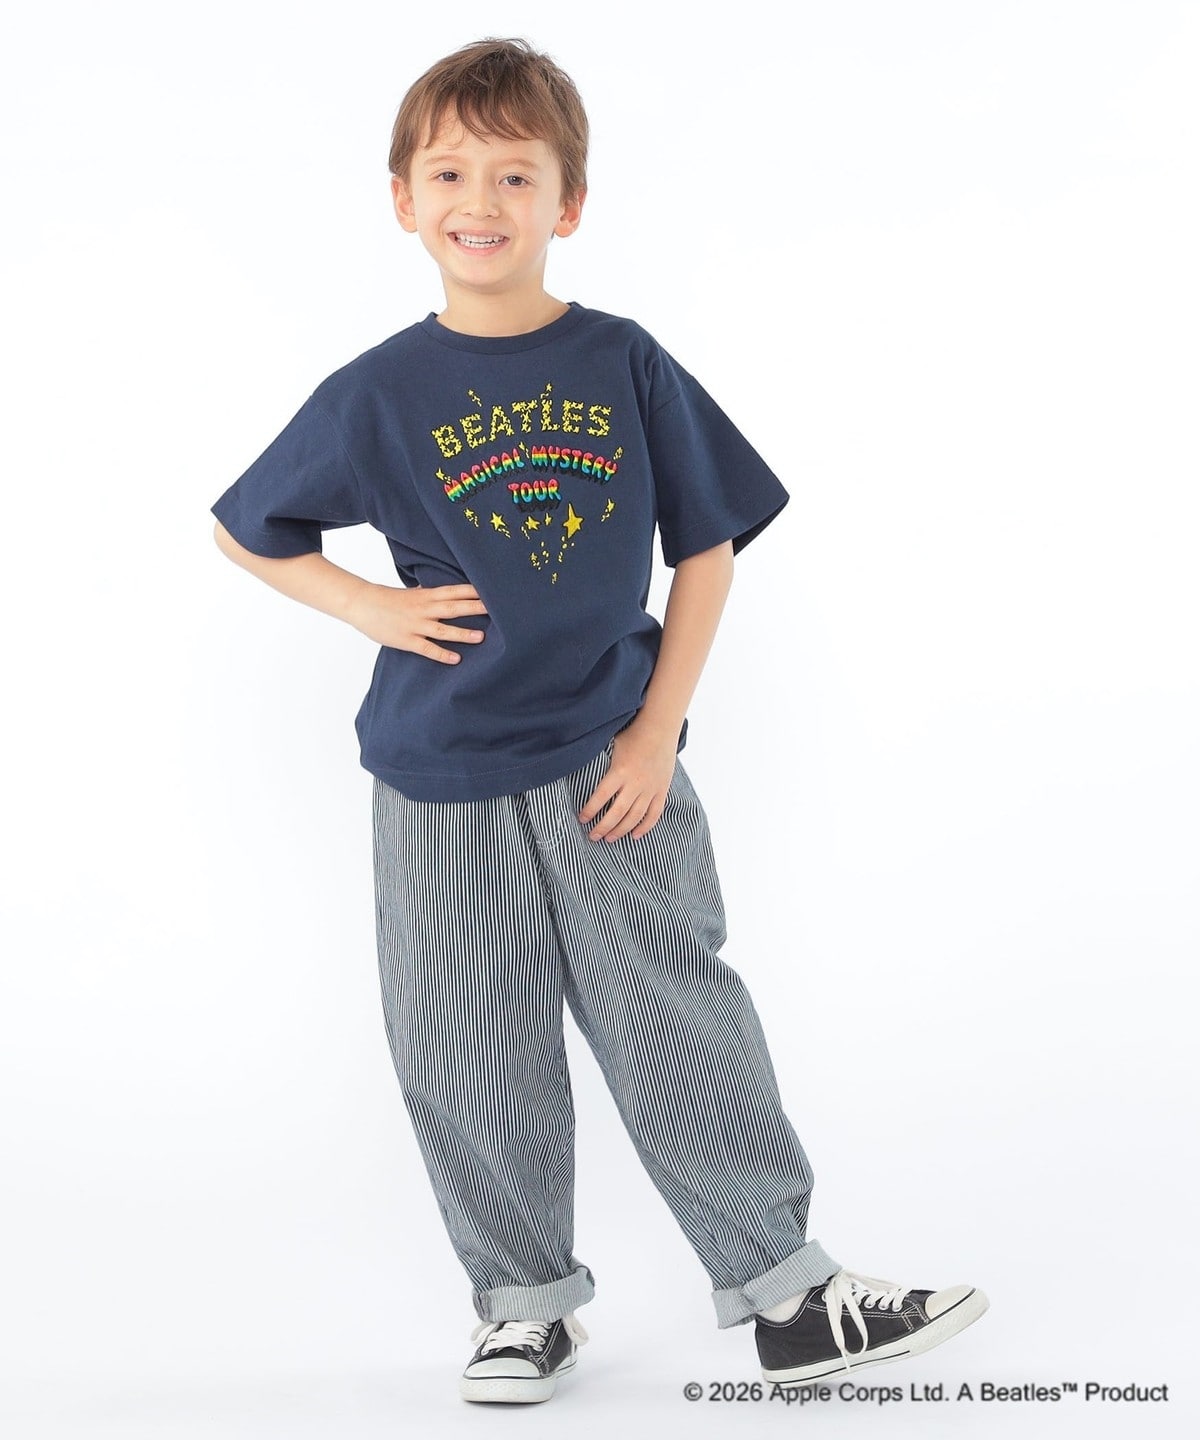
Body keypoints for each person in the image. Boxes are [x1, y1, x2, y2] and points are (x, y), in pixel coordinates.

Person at [210, 36, 987, 1406]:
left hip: (608, 765)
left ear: (567, 203)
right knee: (468, 1043)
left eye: (517, 175)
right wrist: (369, 607)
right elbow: (247, 527)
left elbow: (708, 546)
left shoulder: (622, 360)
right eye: (451, 172)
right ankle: (523, 1309)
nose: (482, 200)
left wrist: (654, 734)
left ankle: (787, 1293)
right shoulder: (378, 391)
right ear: (403, 200)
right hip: (437, 775)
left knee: (678, 1019)